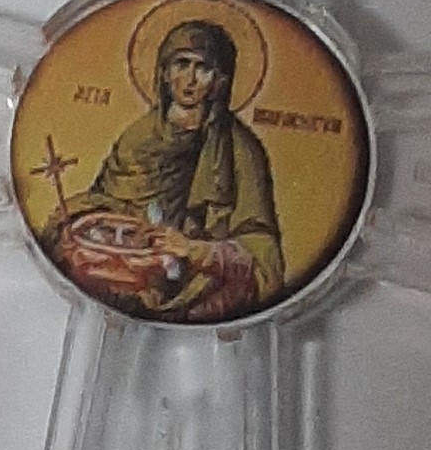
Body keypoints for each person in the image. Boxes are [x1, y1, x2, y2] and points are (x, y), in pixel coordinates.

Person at [61, 20, 283, 320]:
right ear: (164, 73)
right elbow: (104, 202)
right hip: (128, 268)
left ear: (220, 80)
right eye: (181, 64)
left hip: (197, 283)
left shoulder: (240, 150)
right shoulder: (139, 137)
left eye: (203, 68)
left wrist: (194, 250)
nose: (190, 79)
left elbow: (263, 256)